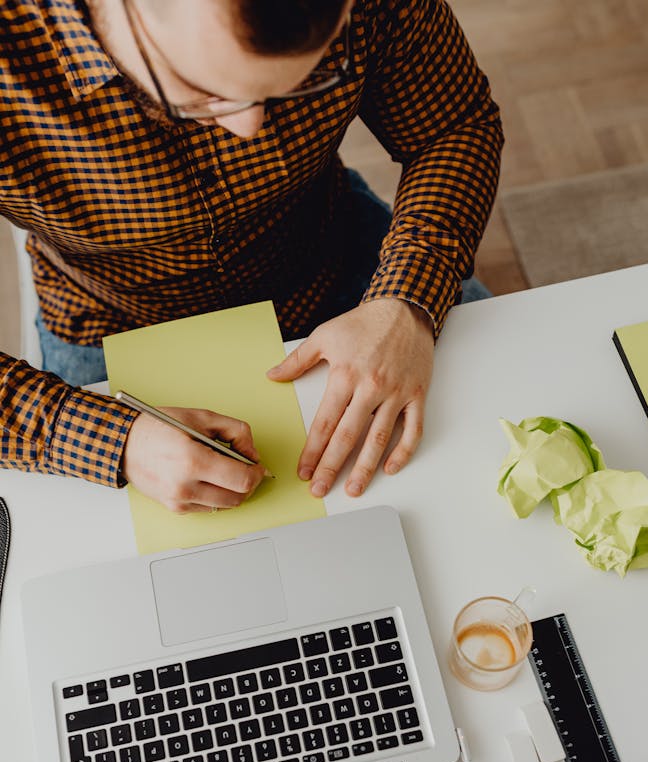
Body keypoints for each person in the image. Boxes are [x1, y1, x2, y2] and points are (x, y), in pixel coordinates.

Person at [0, 0, 503, 512]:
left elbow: (455, 126)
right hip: (111, 320)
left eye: (295, 83)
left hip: (346, 264)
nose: (248, 127)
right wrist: (107, 439)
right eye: (205, 92)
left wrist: (408, 299)